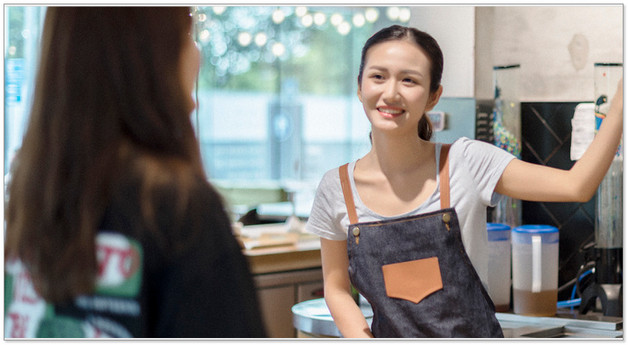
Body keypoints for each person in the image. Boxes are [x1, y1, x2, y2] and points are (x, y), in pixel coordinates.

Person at [306, 25, 623, 338]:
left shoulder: (467, 162)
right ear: (359, 86)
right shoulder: (337, 188)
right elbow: (335, 289)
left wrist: (621, 100)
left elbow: (576, 185)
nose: (390, 92)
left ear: (433, 97)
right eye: (378, 76)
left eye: (409, 80)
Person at [4, 7, 266, 338]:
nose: (197, 54)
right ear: (152, 57)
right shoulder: (179, 209)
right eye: (187, 35)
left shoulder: (31, 198)